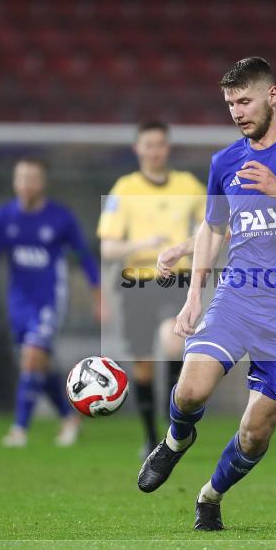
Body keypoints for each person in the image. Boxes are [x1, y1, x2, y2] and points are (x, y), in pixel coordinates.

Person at [137, 57, 276, 531]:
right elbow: (215, 230)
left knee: (255, 434)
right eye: (230, 103)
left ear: (272, 96)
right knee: (191, 390)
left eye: (245, 100)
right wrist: (193, 297)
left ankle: (209, 496)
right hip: (238, 298)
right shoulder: (225, 162)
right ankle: (175, 440)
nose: (236, 112)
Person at [0, 159, 102, 447]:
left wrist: (98, 294)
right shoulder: (4, 217)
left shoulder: (60, 218)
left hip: (50, 298)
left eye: (32, 178)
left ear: (42, 183)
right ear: (14, 182)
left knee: (32, 357)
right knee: (37, 366)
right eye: (21, 178)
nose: (26, 184)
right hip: (19, 301)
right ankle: (70, 418)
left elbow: (83, 257)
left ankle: (19, 429)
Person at [97, 121, 206, 459]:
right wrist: (141, 244)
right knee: (144, 363)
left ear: (167, 147)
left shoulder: (188, 185)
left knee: (174, 345)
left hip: (176, 279)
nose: (154, 150)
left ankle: (177, 429)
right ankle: (151, 435)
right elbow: (107, 249)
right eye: (148, 145)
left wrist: (186, 249)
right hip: (137, 281)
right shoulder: (124, 189)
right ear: (138, 149)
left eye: (160, 144)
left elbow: (214, 226)